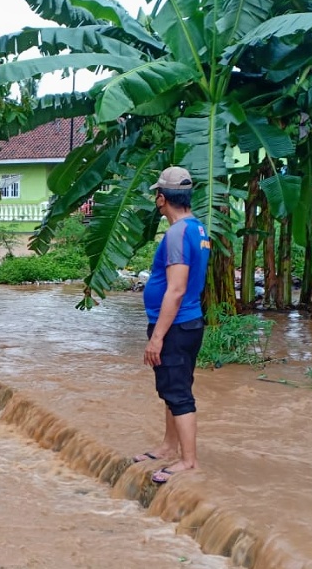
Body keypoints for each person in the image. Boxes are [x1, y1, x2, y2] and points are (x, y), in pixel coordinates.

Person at [133, 166, 211, 484]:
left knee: (178, 393)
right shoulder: (198, 228)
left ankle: (188, 461)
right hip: (187, 323)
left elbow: (176, 289)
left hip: (176, 326)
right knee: (173, 388)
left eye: (157, 196)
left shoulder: (177, 233)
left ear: (162, 199)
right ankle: (168, 446)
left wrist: (157, 338)